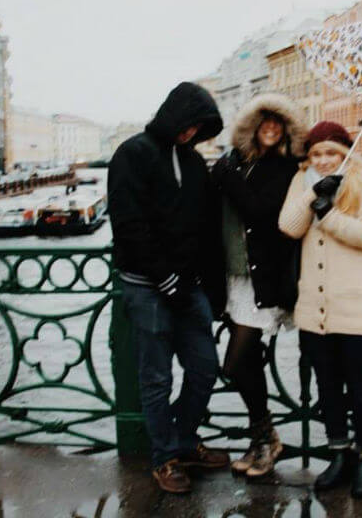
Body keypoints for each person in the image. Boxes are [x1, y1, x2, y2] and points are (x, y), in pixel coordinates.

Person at [107, 82, 229, 494]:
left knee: (205, 370)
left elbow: (207, 230)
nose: (190, 132)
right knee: (156, 379)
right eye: (188, 123)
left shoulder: (195, 163)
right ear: (172, 115)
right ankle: (165, 458)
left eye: (199, 127)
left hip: (190, 288)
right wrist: (165, 277)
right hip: (147, 287)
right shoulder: (133, 154)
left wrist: (214, 291)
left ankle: (182, 439)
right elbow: (128, 225)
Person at [278, 121, 362, 499]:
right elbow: (288, 226)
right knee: (327, 387)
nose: (323, 160)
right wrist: (312, 195)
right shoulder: (302, 181)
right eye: (316, 154)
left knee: (360, 387)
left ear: (345, 153)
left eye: (330, 153)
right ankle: (338, 453)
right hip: (314, 307)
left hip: (357, 305)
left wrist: (329, 213)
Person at [210, 93, 306, 477]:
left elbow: (263, 214)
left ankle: (266, 438)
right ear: (250, 127)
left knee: (234, 364)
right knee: (248, 363)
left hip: (264, 281)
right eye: (264, 121)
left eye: (277, 123)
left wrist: (227, 178)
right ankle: (262, 443)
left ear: (286, 130)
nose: (270, 128)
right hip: (234, 277)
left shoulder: (286, 170)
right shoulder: (237, 163)